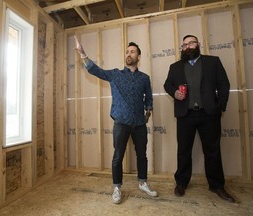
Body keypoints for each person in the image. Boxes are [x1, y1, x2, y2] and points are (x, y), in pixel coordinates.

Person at [74, 36, 157, 204]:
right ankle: (117, 188)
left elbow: (148, 97)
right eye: (127, 51)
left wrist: (148, 110)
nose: (129, 54)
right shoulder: (115, 75)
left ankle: (143, 182)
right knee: (118, 156)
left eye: (132, 52)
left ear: (138, 57)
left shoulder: (144, 78)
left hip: (140, 123)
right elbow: (95, 70)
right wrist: (83, 54)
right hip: (121, 122)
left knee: (142, 155)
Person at [163, 35, 236, 203]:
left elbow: (224, 85)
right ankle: (181, 183)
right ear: (182, 48)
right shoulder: (175, 67)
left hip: (209, 114)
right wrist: (174, 92)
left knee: (213, 151)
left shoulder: (213, 62)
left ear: (198, 45)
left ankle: (217, 185)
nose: (188, 46)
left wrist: (220, 107)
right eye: (184, 45)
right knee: (183, 151)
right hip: (185, 115)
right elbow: (167, 84)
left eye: (191, 43)